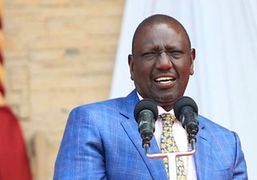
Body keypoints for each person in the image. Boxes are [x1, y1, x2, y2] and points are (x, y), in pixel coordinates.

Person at [54, 14, 247, 179]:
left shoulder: (226, 143)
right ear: (132, 65)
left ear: (192, 61)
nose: (164, 63)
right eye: (150, 54)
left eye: (175, 52)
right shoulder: (93, 122)